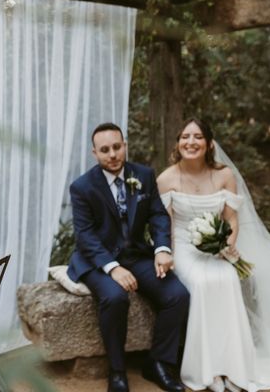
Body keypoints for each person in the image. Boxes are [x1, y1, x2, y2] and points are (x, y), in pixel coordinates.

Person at [67, 123, 189, 392]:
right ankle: (117, 370)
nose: (112, 154)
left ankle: (158, 363)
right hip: (97, 260)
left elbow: (157, 214)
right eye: (105, 150)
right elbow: (85, 236)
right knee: (115, 297)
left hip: (136, 256)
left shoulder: (143, 175)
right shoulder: (82, 187)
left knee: (177, 295)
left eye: (117, 147)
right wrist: (112, 268)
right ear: (94, 153)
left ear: (125, 146)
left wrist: (162, 249)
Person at [157, 118, 270, 392]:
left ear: (209, 144)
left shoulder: (224, 176)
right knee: (202, 282)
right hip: (184, 247)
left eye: (197, 137)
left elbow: (231, 219)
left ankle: (232, 367)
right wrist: (168, 255)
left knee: (228, 278)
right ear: (178, 143)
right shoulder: (166, 178)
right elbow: (166, 226)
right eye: (185, 136)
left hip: (217, 247)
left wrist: (228, 245)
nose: (191, 142)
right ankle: (207, 370)